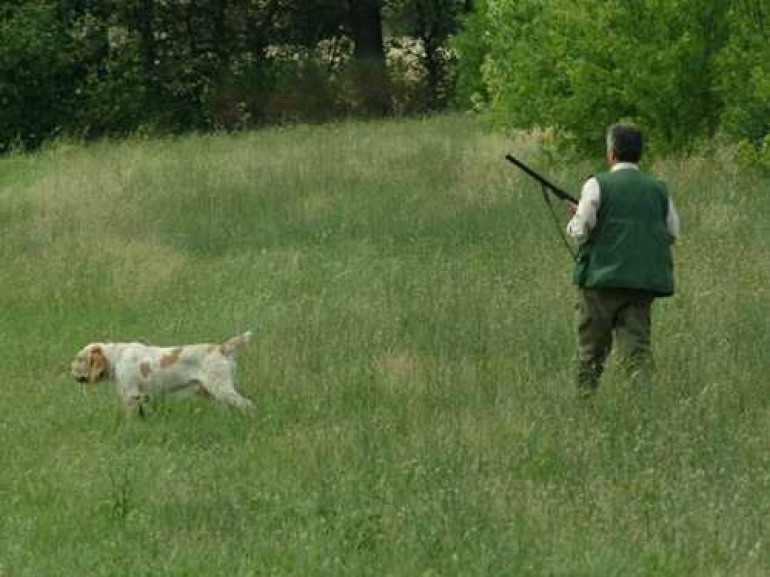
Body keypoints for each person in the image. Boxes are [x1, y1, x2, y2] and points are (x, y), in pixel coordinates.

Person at [566, 123, 680, 396]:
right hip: (641, 285)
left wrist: (575, 215)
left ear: (611, 153)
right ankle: (644, 407)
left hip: (599, 284)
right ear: (639, 154)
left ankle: (584, 405)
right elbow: (673, 232)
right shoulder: (658, 189)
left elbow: (580, 230)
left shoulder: (596, 184)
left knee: (591, 353)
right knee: (638, 353)